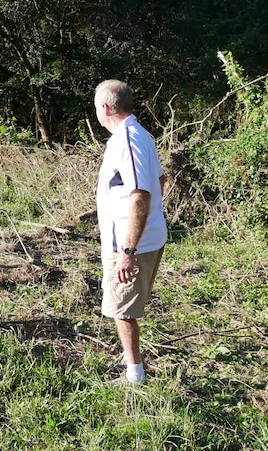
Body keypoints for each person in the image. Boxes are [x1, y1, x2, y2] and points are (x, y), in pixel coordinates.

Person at [93, 80, 167, 386]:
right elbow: (160, 180)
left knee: (121, 309)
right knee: (125, 305)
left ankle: (134, 375)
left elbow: (141, 195)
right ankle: (128, 356)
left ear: (106, 108)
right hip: (141, 239)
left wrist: (127, 251)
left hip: (128, 245)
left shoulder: (127, 140)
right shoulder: (139, 134)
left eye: (97, 105)